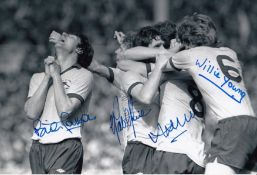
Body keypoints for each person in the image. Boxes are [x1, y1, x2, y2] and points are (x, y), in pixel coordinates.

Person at [164, 13, 257, 174]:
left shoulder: (190, 55)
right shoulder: (229, 52)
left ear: (187, 41)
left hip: (231, 126)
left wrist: (175, 48)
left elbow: (160, 64)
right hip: (251, 123)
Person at [116, 21, 206, 173]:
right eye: (158, 47)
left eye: (163, 46)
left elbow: (123, 60)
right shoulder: (189, 66)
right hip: (151, 147)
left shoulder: (168, 70)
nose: (162, 51)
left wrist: (163, 54)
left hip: (172, 151)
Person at [88, 26, 163, 174]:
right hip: (149, 146)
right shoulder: (156, 74)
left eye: (121, 50)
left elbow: (97, 66)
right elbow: (97, 66)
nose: (116, 52)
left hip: (144, 146)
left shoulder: (132, 75)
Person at [24, 31, 94, 174]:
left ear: (78, 49)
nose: (63, 34)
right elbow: (31, 113)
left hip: (66, 145)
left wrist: (56, 75)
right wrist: (47, 77)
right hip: (37, 147)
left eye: (70, 36)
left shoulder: (83, 75)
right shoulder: (37, 77)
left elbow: (65, 111)